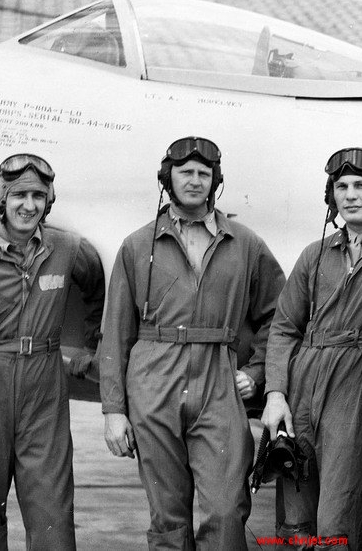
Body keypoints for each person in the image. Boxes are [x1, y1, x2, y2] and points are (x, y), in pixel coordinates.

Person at [99, 136, 285, 550]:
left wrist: (255, 373)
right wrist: (114, 410)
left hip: (219, 380)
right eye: (186, 173)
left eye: (204, 174)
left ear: (215, 181)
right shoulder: (136, 245)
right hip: (153, 380)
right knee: (167, 513)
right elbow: (115, 332)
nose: (195, 181)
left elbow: (279, 317)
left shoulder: (246, 244)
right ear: (168, 178)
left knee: (225, 508)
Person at [0, 154, 105, 550]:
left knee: (53, 514)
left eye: (39, 196)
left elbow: (99, 291)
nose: (29, 205)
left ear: (50, 200)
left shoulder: (69, 249)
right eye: (19, 195)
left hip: (44, 387)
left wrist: (92, 350)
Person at [261, 147, 362, 550]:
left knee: (340, 513)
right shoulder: (315, 253)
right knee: (295, 517)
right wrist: (276, 394)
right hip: (302, 391)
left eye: (361, 186)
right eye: (341, 186)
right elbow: (283, 328)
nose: (349, 194)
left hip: (359, 387)